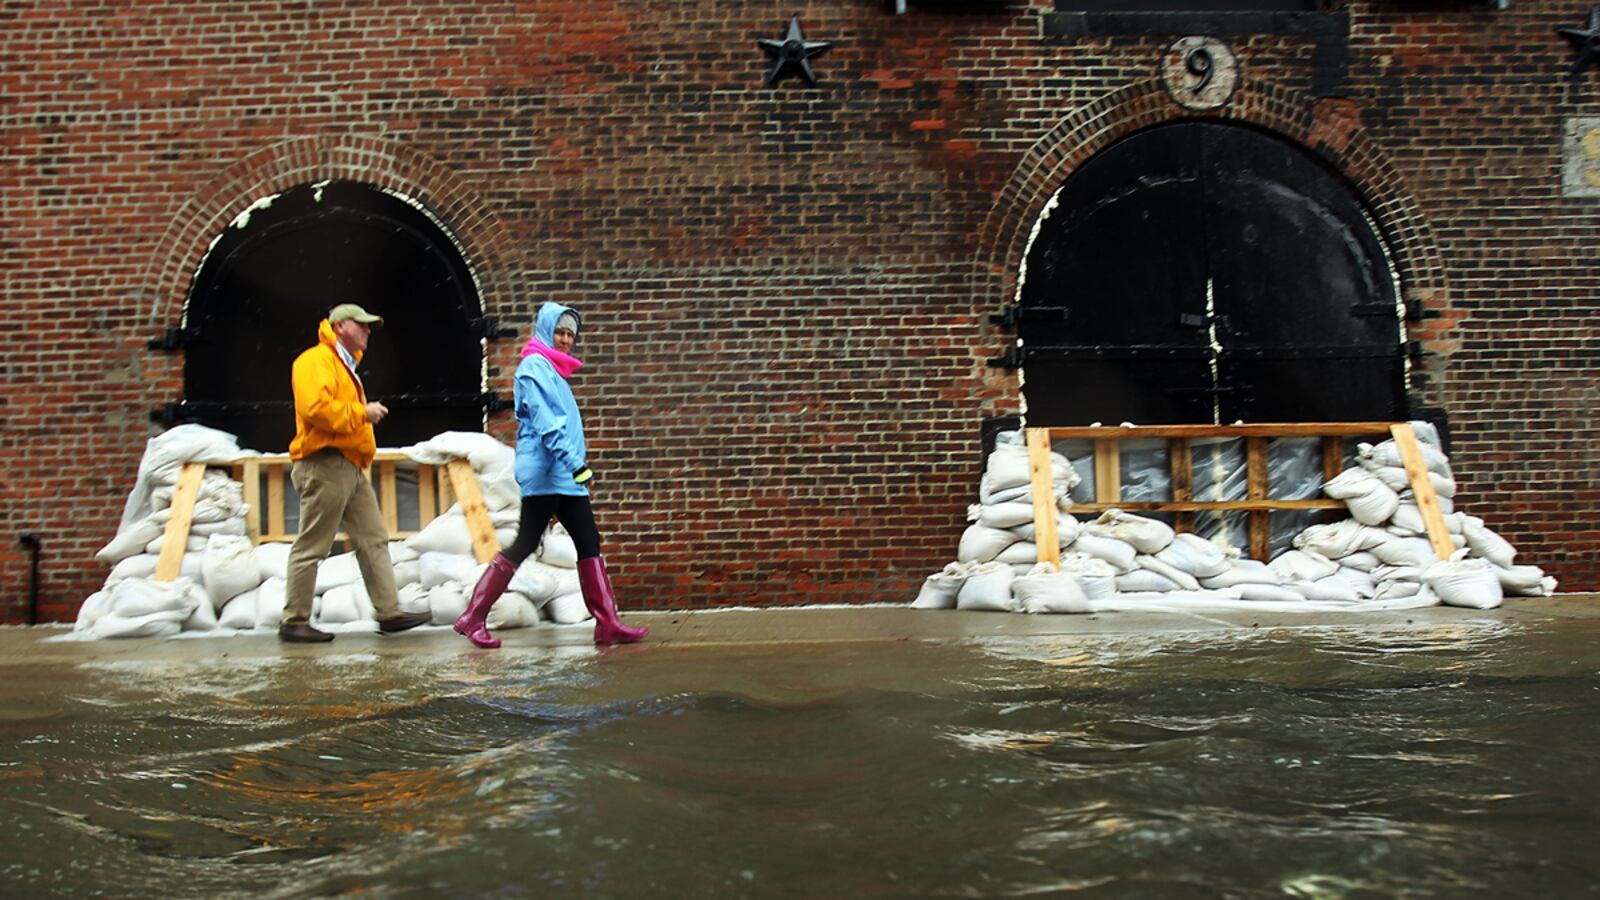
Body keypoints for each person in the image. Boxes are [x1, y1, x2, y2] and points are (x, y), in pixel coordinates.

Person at [454, 301, 649, 649]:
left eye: (570, 335)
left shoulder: (553, 371)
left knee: (588, 540)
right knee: (526, 542)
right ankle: (473, 617)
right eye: (559, 332)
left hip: (562, 473)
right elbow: (547, 425)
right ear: (545, 331)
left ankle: (607, 623)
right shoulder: (534, 368)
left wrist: (572, 467)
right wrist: (577, 465)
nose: (564, 340)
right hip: (548, 472)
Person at [280, 303, 432, 643]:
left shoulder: (343, 365)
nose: (367, 331)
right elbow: (315, 409)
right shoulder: (315, 361)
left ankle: (389, 612)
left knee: (373, 538)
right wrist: (361, 413)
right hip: (324, 463)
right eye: (361, 325)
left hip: (349, 465)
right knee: (313, 545)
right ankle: (294, 620)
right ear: (341, 326)